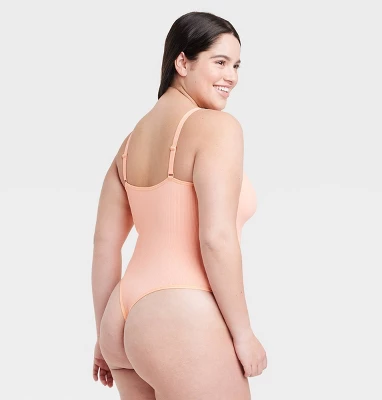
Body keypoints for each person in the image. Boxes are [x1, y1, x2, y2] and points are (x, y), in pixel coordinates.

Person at [91, 11, 267, 399]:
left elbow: (104, 246)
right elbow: (216, 238)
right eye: (220, 62)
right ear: (182, 62)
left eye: (236, 65)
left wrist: (104, 336)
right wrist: (243, 334)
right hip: (180, 313)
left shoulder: (128, 146)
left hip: (121, 314)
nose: (231, 76)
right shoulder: (216, 128)